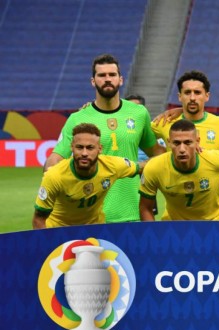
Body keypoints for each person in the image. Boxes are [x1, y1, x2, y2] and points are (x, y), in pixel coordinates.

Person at [44, 54, 165, 223]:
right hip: (92, 218)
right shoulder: (78, 118)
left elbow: (157, 153)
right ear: (93, 81)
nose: (107, 79)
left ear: (120, 79)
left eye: (112, 75)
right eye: (102, 75)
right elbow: (55, 159)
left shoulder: (138, 113)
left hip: (132, 213)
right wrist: (53, 177)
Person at [139, 119, 219, 221]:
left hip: (213, 227)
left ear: (197, 142)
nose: (182, 149)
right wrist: (155, 235)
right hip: (175, 228)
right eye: (176, 143)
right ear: (168, 143)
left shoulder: (214, 160)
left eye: (188, 142)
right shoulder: (155, 167)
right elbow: (145, 207)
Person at [33, 123, 142, 228]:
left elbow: (143, 167)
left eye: (90, 148)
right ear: (72, 148)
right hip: (60, 230)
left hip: (94, 230)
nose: (84, 153)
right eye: (80, 147)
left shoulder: (112, 166)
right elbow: (38, 219)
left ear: (100, 149)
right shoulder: (54, 176)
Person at [151, 71, 219, 162]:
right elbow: (138, 137)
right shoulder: (164, 122)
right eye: (187, 92)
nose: (192, 98)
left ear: (207, 96)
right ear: (179, 97)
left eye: (197, 92)